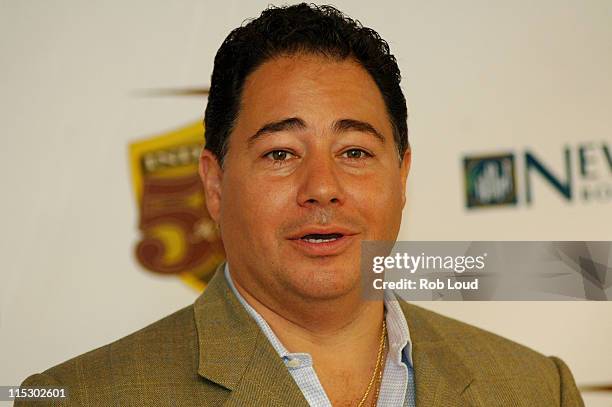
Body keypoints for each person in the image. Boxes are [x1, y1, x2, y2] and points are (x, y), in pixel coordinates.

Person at [19, 3, 584, 406]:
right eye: (282, 153)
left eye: (356, 150)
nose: (322, 186)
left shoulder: (536, 388)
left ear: (403, 175)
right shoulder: (82, 398)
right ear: (214, 185)